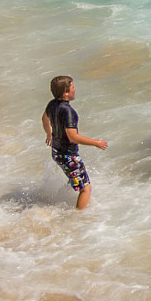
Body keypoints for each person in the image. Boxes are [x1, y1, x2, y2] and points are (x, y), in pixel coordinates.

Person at [42, 76, 107, 210]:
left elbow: (44, 119)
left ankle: (67, 193)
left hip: (56, 152)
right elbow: (72, 137)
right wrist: (96, 142)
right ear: (66, 92)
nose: (74, 89)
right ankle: (78, 218)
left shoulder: (52, 104)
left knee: (73, 176)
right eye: (72, 87)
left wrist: (49, 134)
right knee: (86, 188)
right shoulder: (68, 112)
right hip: (68, 156)